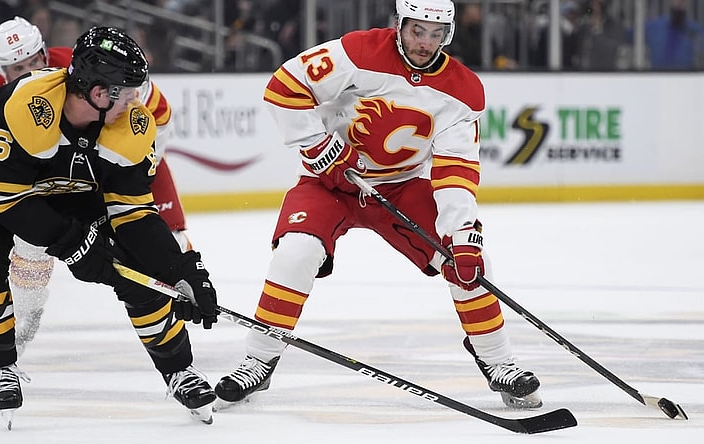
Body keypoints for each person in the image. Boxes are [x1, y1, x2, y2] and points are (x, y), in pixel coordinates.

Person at [214, 0, 542, 410]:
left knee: (469, 262)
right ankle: (258, 360)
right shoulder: (357, 52)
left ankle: (498, 360)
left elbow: (456, 169)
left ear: (449, 34)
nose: (425, 43)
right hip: (329, 182)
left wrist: (462, 234)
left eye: (436, 34)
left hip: (400, 187)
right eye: (417, 31)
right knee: (296, 252)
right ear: (399, 24)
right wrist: (320, 147)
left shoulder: (462, 90)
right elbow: (284, 87)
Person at [0, 26, 218, 425]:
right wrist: (73, 242)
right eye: (128, 93)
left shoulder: (130, 124)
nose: (135, 101)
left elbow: (133, 213)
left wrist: (180, 268)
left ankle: (179, 369)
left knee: (134, 263)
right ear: (99, 93)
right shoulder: (28, 107)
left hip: (68, 182)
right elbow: (5, 201)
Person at [0, 16, 193, 357]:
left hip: (122, 158)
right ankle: (27, 307)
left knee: (166, 240)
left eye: (35, 60)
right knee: (33, 236)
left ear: (46, 53)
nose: (31, 70)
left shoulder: (82, 66)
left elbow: (160, 112)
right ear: (1, 70)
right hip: (55, 175)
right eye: (18, 67)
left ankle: (174, 318)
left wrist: (131, 165)